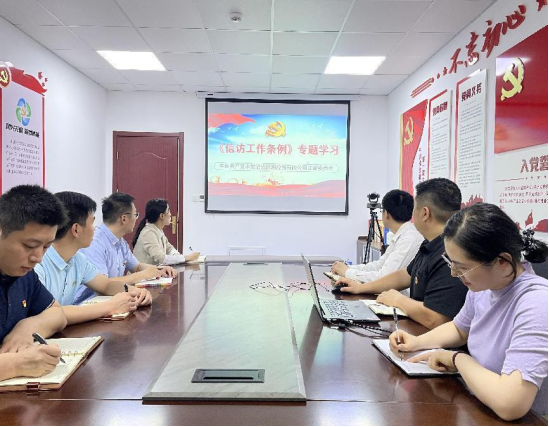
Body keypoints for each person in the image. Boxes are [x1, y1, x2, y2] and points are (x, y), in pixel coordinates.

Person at [389, 203, 548, 421]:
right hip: (479, 404)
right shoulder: (484, 286)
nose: (454, 274)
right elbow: (460, 328)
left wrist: (458, 359)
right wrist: (416, 343)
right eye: (451, 264)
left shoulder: (536, 302)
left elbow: (511, 404)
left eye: (462, 267)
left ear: (502, 262)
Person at [335, 178, 467, 330]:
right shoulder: (430, 243)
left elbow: (437, 319)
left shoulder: (451, 253)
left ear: (425, 213)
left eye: (414, 208)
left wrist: (398, 300)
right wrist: (361, 288)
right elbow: (405, 275)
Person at [35, 192, 152, 325]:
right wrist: (110, 306)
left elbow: (106, 285)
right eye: (92, 222)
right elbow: (51, 313)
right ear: (76, 230)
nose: (95, 229)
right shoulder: (38, 263)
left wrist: (136, 292)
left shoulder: (78, 259)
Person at [0, 185, 68, 381]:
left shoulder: (23, 274)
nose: (38, 257)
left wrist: (28, 327)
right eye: (29, 246)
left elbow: (57, 313)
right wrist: (16, 364)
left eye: (46, 247)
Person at [74, 193, 177, 304]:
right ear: (124, 218)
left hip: (111, 300)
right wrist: (142, 275)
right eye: (135, 215)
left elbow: (136, 266)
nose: (136, 219)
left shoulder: (120, 242)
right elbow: (103, 285)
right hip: (90, 303)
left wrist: (159, 270)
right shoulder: (95, 243)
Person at [331, 190, 423, 283]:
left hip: (394, 291)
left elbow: (384, 277)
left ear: (386, 214)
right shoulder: (402, 234)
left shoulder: (408, 239)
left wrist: (347, 272)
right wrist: (348, 268)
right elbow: (379, 265)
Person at [132, 198, 200, 265]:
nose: (170, 214)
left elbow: (169, 248)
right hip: (143, 272)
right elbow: (161, 259)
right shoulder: (149, 233)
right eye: (168, 211)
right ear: (161, 216)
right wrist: (186, 258)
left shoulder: (158, 230)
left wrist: (178, 256)